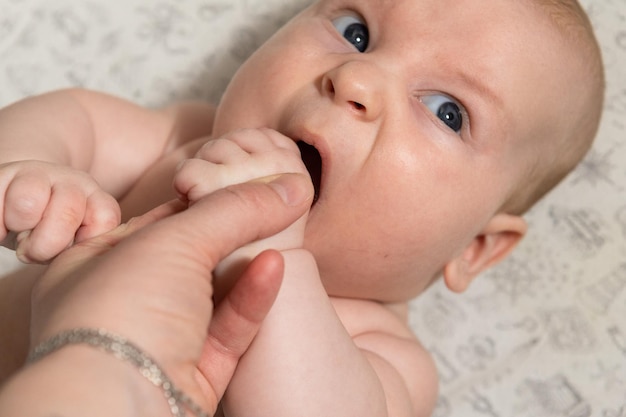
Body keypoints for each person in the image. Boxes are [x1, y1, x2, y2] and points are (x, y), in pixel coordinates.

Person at [0, 0, 605, 415]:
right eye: (355, 30)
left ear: (474, 248)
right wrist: (30, 171)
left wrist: (270, 244)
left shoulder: (383, 357)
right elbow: (76, 117)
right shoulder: (183, 141)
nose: (356, 78)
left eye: (448, 110)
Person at [0, 174, 314, 417]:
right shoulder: (186, 139)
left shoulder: (359, 335)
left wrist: (282, 252)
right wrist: (35, 175)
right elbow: (80, 118)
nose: (351, 87)